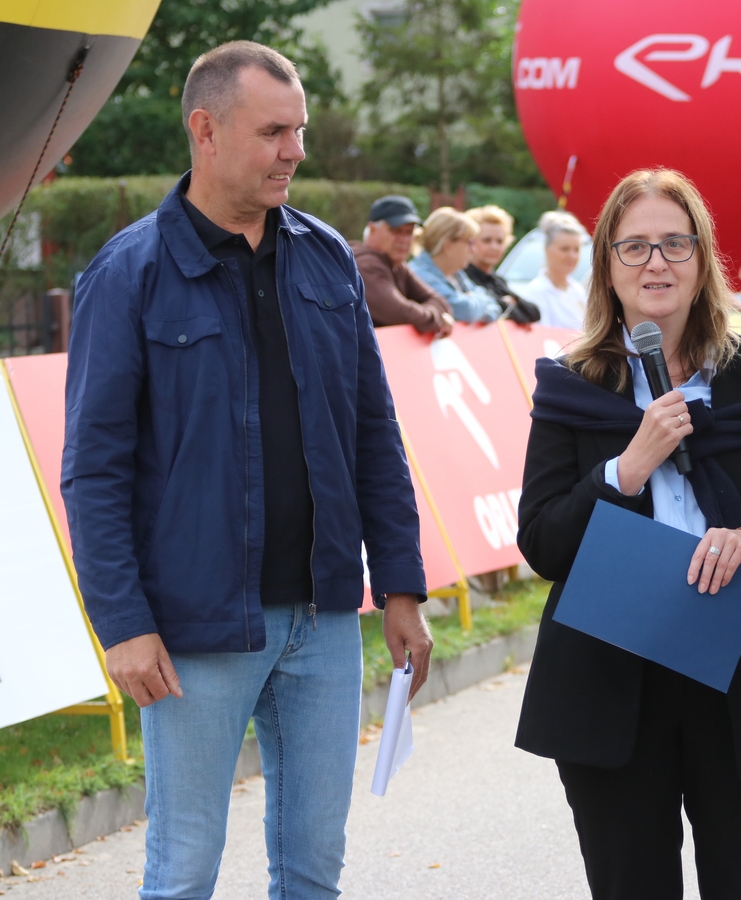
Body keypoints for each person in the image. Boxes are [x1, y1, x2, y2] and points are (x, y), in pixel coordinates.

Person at [60, 41, 433, 900]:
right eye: (273, 132)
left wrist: (401, 588)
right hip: (194, 629)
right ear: (205, 130)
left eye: (298, 131)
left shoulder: (327, 257)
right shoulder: (127, 273)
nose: (294, 151)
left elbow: (373, 433)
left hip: (324, 618)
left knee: (314, 871)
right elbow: (94, 471)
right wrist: (122, 624)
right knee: (183, 872)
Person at [515, 168, 741, 900]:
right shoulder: (573, 385)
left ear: (703, 259)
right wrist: (626, 468)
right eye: (634, 247)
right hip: (614, 683)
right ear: (607, 266)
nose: (656, 263)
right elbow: (543, 542)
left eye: (675, 243)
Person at [350, 194, 453, 335]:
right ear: (372, 229)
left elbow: (440, 302)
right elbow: (399, 313)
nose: (404, 239)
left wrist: (432, 315)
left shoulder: (397, 265)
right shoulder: (365, 263)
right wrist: (438, 318)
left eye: (409, 232)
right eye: (396, 231)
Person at [407, 207, 505, 323]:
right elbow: (463, 310)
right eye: (469, 242)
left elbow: (494, 306)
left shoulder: (456, 274)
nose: (473, 250)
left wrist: (473, 303)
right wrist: (479, 304)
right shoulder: (419, 275)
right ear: (448, 246)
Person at [463, 204, 542, 324]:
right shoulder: (463, 279)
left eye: (500, 241)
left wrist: (511, 302)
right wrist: (507, 304)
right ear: (470, 242)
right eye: (487, 240)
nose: (494, 247)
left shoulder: (497, 281)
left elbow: (534, 313)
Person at [519, 210, 588, 329]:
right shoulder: (536, 294)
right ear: (547, 249)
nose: (572, 256)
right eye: (564, 249)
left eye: (576, 249)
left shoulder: (577, 290)